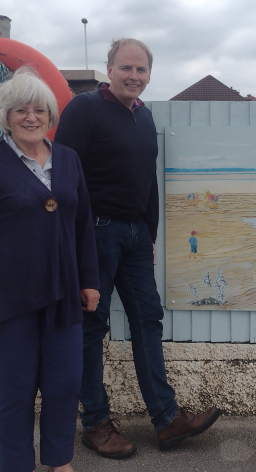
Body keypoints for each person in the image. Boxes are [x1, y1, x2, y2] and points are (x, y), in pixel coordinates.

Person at [55, 38, 221, 458]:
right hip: (94, 233)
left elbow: (148, 181)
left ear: (149, 75)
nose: (133, 76)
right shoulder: (84, 109)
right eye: (126, 68)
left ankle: (167, 421)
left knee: (149, 319)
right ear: (108, 69)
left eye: (141, 70)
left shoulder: (143, 117)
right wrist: (75, 244)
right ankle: (95, 424)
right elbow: (65, 179)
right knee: (92, 329)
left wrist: (149, 235)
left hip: (134, 237)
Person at [0, 67, 101, 472]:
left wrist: (90, 281)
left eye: (39, 110)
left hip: (64, 296)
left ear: (51, 115)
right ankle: (16, 465)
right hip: (6, 303)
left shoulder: (68, 160)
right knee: (15, 393)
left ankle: (58, 461)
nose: (31, 117)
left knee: (64, 384)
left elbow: (83, 225)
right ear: (6, 117)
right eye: (21, 110)